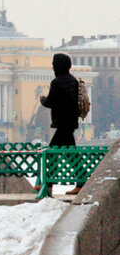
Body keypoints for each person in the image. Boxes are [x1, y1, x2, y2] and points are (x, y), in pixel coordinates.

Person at [38, 53, 81, 195]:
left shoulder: (57, 82)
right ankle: (80, 183)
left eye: (53, 63)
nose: (52, 66)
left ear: (57, 66)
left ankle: (48, 184)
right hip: (71, 122)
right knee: (71, 154)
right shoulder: (73, 80)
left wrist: (42, 99)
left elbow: (51, 102)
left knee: (52, 153)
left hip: (62, 123)